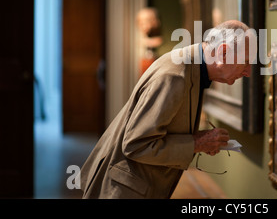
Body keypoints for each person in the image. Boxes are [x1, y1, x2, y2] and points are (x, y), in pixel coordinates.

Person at [80, 20, 255, 198]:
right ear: (223, 52)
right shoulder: (175, 76)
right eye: (246, 61)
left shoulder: (190, 65)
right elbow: (136, 145)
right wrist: (197, 143)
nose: (248, 71)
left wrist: (198, 141)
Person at [136, 7, 163, 75]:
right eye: (140, 23)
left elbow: (158, 41)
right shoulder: (142, 40)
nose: (143, 26)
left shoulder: (157, 40)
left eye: (146, 22)